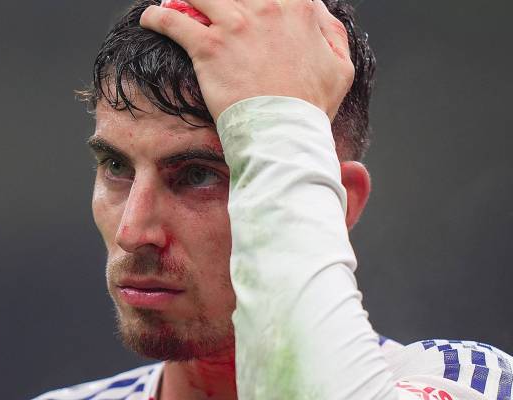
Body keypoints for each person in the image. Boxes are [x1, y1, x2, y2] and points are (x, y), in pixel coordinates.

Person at [37, 0, 513, 399]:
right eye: (116, 166)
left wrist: (275, 116)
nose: (133, 232)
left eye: (199, 175)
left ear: (333, 203)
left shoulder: (470, 380)